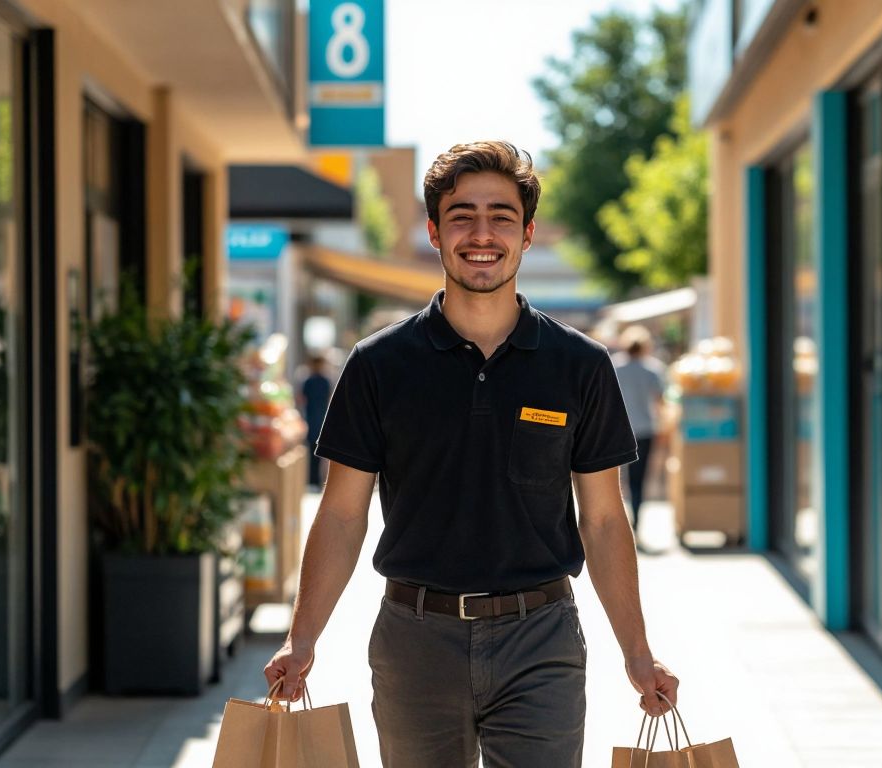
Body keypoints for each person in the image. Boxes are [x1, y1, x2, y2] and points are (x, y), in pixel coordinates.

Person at [264, 141, 678, 767]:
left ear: (528, 233)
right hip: (414, 639)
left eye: (501, 216)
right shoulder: (378, 364)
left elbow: (602, 518)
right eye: (461, 215)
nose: (481, 234)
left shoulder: (581, 366)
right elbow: (344, 512)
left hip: (541, 638)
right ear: (433, 231)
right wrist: (302, 639)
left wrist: (638, 652)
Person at [612, 325, 667, 551]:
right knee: (638, 480)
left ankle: (618, 524)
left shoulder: (615, 366)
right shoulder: (652, 369)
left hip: (617, 429)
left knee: (616, 481)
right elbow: (660, 401)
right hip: (645, 429)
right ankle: (635, 521)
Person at [298, 353, 332, 490]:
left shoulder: (309, 381)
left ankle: (313, 481)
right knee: (320, 454)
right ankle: (317, 481)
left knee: (314, 453)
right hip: (320, 420)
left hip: (313, 420)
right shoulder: (325, 381)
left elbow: (301, 399)